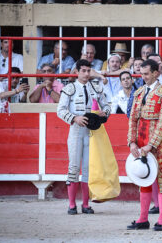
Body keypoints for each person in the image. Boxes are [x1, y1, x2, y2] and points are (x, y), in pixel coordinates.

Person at [57, 59, 110, 215]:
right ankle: (72, 204)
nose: (86, 74)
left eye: (89, 71)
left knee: (88, 169)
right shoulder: (69, 88)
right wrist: (74, 118)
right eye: (84, 71)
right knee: (73, 167)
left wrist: (104, 113)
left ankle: (85, 204)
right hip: (76, 131)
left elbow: (107, 106)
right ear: (77, 72)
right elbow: (60, 110)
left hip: (91, 132)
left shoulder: (96, 88)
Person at [127, 59, 162, 231]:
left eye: (147, 74)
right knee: (143, 179)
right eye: (142, 74)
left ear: (156, 73)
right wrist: (132, 142)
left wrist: (151, 144)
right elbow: (132, 119)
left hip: (157, 143)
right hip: (140, 140)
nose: (143, 77)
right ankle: (143, 219)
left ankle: (161, 220)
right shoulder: (139, 92)